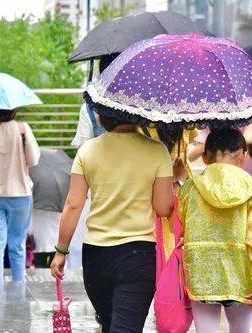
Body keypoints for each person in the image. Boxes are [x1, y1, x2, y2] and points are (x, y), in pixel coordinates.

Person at [50, 104, 175, 333]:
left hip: (96, 255)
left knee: (109, 324)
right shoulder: (157, 151)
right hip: (139, 255)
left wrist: (61, 251)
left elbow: (73, 204)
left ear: (101, 115)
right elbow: (163, 207)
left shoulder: (88, 151)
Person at [178, 128, 252, 333]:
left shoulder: (190, 187)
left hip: (201, 271)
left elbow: (181, 222)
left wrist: (177, 179)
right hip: (241, 273)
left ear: (204, 157)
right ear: (243, 154)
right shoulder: (251, 188)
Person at [0, 109, 40, 281]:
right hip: (20, 194)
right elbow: (33, 160)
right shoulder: (22, 129)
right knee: (17, 244)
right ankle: (19, 285)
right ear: (15, 110)